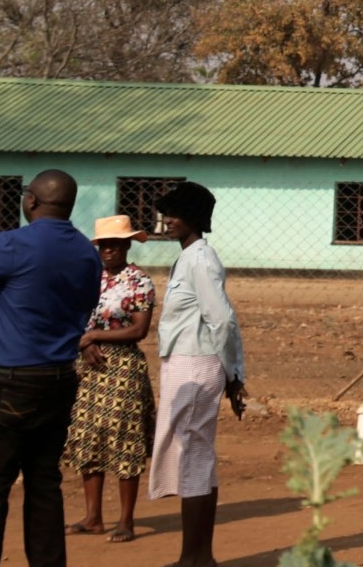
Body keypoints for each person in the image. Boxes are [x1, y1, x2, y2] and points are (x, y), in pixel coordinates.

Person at [0, 169, 100, 567]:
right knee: (44, 483)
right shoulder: (86, 252)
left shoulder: (13, 244)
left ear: (31, 201)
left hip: (9, 381)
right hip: (59, 378)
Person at [146, 181, 245, 567]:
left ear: (194, 219)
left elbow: (222, 321)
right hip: (185, 360)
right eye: (166, 213)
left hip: (197, 363)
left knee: (193, 455)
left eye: (175, 214)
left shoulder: (201, 258)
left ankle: (196, 557)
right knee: (193, 454)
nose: (167, 221)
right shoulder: (189, 257)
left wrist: (234, 374)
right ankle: (196, 555)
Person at [64, 215, 158, 542]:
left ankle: (126, 521)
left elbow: (139, 329)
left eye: (116, 244)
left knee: (124, 439)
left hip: (123, 367)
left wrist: (94, 337)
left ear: (127, 245)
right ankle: (93, 518)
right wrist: (86, 341)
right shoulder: (90, 278)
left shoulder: (138, 281)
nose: (109, 250)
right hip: (89, 365)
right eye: (104, 244)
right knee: (88, 434)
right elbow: (74, 318)